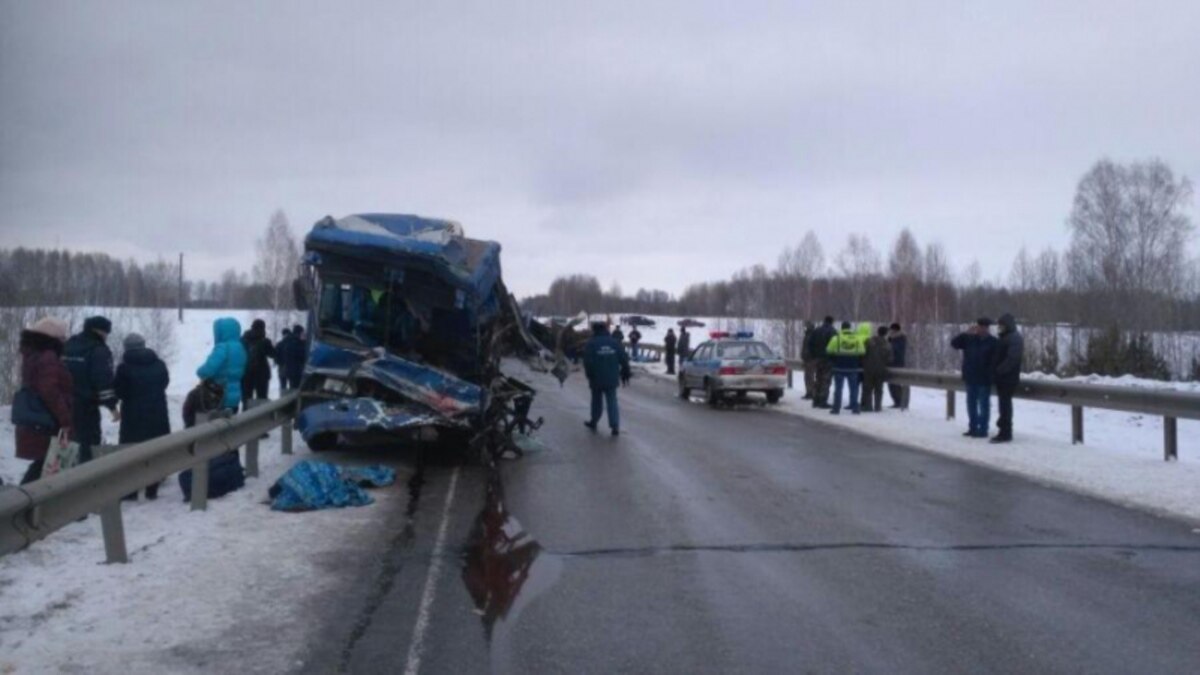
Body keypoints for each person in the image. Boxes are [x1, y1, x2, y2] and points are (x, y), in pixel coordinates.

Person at [15, 318, 73, 485]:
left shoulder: (32, 354)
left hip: (37, 419)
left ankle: (25, 502)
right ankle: (22, 503)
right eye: (62, 337)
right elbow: (50, 391)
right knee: (48, 460)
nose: (64, 341)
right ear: (53, 338)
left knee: (46, 462)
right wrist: (65, 419)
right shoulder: (48, 357)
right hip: (48, 422)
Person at [113, 333, 171, 500]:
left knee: (131, 450)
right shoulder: (159, 364)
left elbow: (119, 391)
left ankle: (131, 491)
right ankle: (152, 488)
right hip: (158, 413)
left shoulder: (124, 368)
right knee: (155, 448)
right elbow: (165, 383)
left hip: (133, 415)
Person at [63, 315, 119, 463]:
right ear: (100, 331)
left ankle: (64, 479)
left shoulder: (69, 344)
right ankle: (86, 478)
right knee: (88, 444)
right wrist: (112, 407)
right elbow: (103, 380)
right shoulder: (98, 350)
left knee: (67, 443)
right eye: (106, 333)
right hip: (86, 407)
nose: (107, 336)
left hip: (63, 404)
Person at [951, 319, 999, 438]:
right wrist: (966, 333)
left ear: (988, 328)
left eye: (984, 327)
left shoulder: (993, 342)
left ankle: (983, 429)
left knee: (984, 405)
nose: (981, 329)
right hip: (970, 377)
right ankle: (973, 428)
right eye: (979, 327)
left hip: (984, 379)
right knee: (971, 404)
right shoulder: (969, 339)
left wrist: (991, 374)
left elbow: (996, 361)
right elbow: (954, 343)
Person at [583, 322, 630, 436]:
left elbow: (587, 362)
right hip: (612, 378)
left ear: (595, 330)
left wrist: (589, 375)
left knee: (596, 401)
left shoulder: (591, 343)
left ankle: (594, 421)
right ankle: (615, 426)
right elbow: (624, 358)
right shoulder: (614, 343)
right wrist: (626, 371)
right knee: (612, 401)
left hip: (596, 378)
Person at [198, 317, 248, 414]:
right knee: (231, 425)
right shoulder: (240, 347)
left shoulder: (223, 347)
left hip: (220, 395)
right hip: (235, 397)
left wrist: (200, 372)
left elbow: (208, 369)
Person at [991, 313, 1024, 443]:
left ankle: (1005, 432)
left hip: (1008, 378)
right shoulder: (1005, 337)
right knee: (1003, 405)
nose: (999, 328)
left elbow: (1012, 359)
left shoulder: (1014, 338)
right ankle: (1003, 428)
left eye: (1002, 325)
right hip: (1003, 378)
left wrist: (999, 371)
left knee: (1005, 405)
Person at [825, 321, 868, 415]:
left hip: (839, 367)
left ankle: (836, 408)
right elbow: (862, 352)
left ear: (842, 328)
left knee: (838, 389)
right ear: (850, 328)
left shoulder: (836, 339)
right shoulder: (857, 339)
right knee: (854, 389)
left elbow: (828, 350)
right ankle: (855, 408)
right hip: (853, 368)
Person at [240, 318, 275, 409]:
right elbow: (273, 354)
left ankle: (245, 418)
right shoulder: (264, 341)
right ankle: (260, 420)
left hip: (246, 373)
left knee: (246, 399)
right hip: (262, 374)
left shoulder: (243, 340)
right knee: (262, 399)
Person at [807, 316, 837, 408]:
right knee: (826, 380)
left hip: (817, 359)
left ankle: (816, 400)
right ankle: (823, 401)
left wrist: (813, 356)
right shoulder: (833, 331)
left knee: (818, 378)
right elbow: (835, 345)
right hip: (828, 359)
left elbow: (810, 343)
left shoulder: (816, 331)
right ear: (832, 322)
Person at [861, 326, 892, 412]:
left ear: (877, 332)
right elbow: (890, 359)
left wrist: (864, 362)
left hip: (868, 368)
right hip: (880, 369)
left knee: (867, 388)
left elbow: (862, 353)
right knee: (879, 389)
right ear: (885, 334)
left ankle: (868, 406)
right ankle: (878, 407)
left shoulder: (868, 341)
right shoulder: (887, 345)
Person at [276, 324, 307, 392]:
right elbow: (302, 355)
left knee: (284, 387)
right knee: (294, 389)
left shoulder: (284, 342)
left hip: (285, 369)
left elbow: (276, 358)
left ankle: (283, 399)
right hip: (296, 371)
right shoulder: (298, 342)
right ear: (299, 332)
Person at [887, 323, 908, 408]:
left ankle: (899, 402)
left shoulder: (899, 339)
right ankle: (897, 401)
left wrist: (889, 342)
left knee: (895, 384)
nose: (890, 332)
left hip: (896, 363)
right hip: (894, 363)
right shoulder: (894, 338)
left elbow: (894, 350)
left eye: (891, 330)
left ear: (895, 330)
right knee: (892, 384)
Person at [800, 321, 816, 400]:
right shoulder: (808, 335)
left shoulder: (811, 336)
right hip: (807, 359)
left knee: (809, 377)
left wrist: (807, 356)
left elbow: (808, 348)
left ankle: (811, 392)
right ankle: (809, 392)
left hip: (810, 359)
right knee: (808, 377)